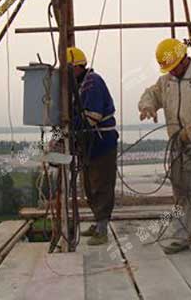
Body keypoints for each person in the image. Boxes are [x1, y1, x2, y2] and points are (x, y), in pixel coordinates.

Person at [138, 38, 191, 255]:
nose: (172, 72)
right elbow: (151, 94)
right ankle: (181, 237)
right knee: (181, 192)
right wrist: (148, 106)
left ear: (184, 59)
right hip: (179, 145)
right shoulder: (167, 81)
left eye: (173, 67)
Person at [67, 46, 118, 246]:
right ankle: (98, 223)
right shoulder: (77, 86)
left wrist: (66, 130)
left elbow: (91, 117)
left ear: (77, 67)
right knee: (88, 185)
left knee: (102, 184)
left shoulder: (91, 82)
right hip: (88, 144)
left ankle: (103, 227)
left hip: (101, 143)